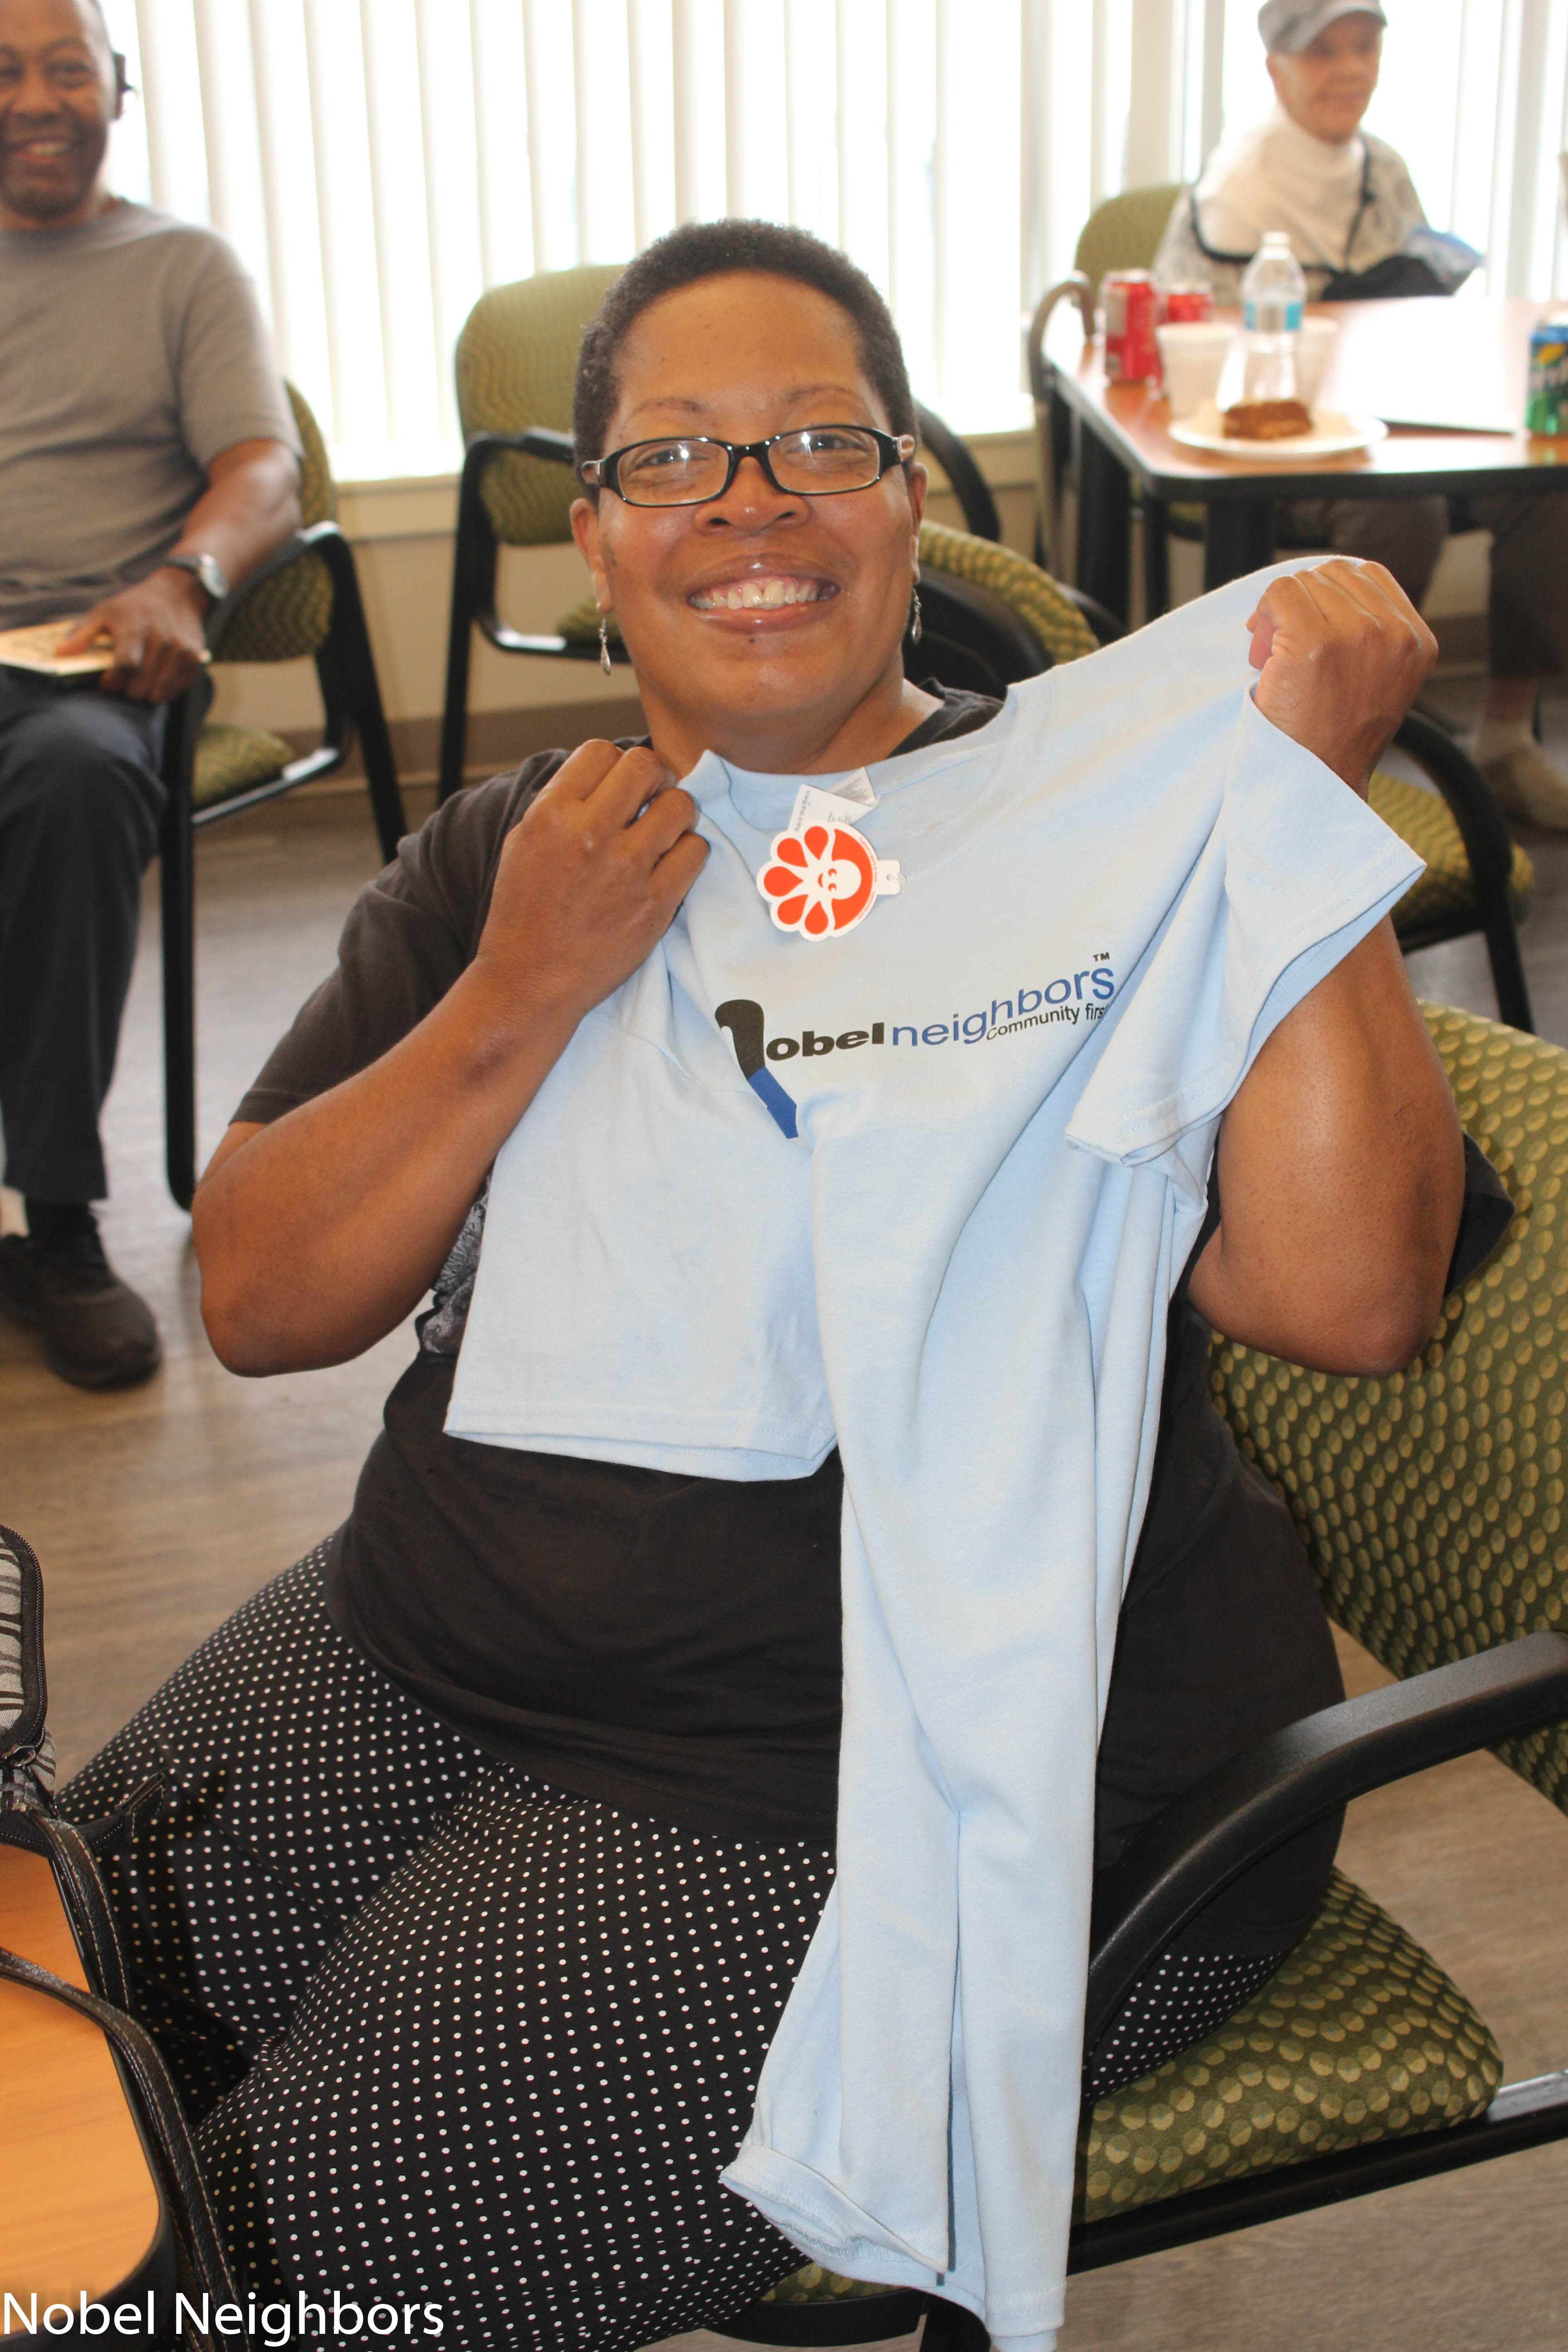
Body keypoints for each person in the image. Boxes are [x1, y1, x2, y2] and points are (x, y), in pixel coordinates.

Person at [62, 221, 1498, 2350]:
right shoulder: (523, 854)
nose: (748, 503)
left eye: (820, 441)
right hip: (427, 1635)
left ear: (914, 495)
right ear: (590, 531)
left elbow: (1351, 1296)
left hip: (892, 1771)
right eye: (672, 456)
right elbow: (265, 1305)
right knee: (49, 2047)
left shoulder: (1113, 850)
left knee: (232, 2279)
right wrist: (522, 988)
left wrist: (1286, 815)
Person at [0, 0, 301, 1388]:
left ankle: (56, 1219)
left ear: (116, 90)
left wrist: (182, 581)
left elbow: (261, 469)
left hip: (100, 663)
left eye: (67, 69)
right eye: (6, 70)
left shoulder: (183, 267)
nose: (36, 98)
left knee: (71, 779)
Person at [1154, 0, 1568, 830]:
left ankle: (1503, 737)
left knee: (1544, 491)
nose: (1350, 70)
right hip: (1285, 444)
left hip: (1395, 421)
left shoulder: (1384, 169)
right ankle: (1321, 758)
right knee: (1402, 519)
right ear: (1276, 70)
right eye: (1323, 53)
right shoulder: (1235, 192)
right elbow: (1198, 355)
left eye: (1364, 48)